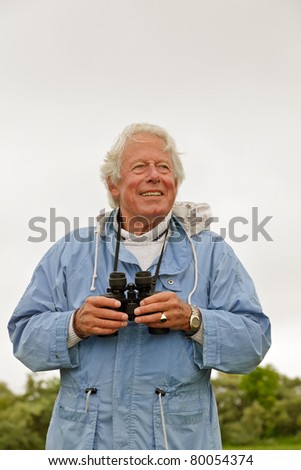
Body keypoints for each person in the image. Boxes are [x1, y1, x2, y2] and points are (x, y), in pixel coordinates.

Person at [8, 122, 271, 450]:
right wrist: (74, 325)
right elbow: (23, 338)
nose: (154, 175)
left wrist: (193, 320)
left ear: (175, 182)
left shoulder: (211, 253)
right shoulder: (69, 253)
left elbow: (253, 343)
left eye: (164, 167)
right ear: (113, 184)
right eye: (139, 167)